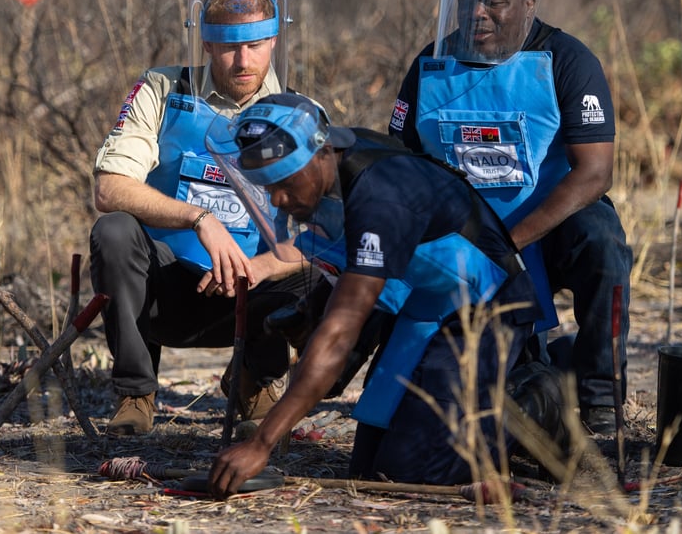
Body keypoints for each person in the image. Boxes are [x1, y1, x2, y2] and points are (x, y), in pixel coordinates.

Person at [204, 93, 563, 497]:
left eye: (286, 183)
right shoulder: (336, 164)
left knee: (419, 473)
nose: (278, 200)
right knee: (372, 471)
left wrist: (261, 442)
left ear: (323, 152)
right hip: (423, 302)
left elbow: (341, 332)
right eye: (267, 188)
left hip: (487, 303)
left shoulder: (381, 193)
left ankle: (539, 399)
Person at [388, 0, 633, 435]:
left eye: (495, 1)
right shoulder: (431, 63)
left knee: (603, 241)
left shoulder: (567, 59)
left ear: (528, 3)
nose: (478, 13)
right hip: (463, 236)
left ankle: (601, 394)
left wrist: (509, 244)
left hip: (545, 224)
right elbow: (400, 161)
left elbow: (594, 172)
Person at [89, 0, 319, 436]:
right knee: (113, 231)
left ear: (274, 39)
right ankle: (137, 391)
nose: (242, 60)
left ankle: (256, 377)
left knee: (318, 270)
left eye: (254, 45)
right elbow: (109, 188)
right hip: (165, 290)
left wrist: (259, 268)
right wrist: (200, 219)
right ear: (207, 45)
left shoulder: (299, 111)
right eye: (228, 46)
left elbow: (327, 232)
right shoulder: (162, 89)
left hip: (249, 295)